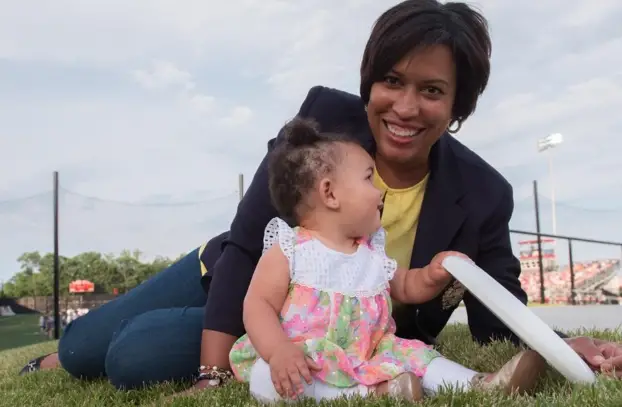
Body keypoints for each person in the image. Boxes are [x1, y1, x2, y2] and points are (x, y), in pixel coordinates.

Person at [19, 0, 622, 390]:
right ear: (369, 82)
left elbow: (498, 313)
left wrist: (565, 346)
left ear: (458, 106)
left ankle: (133, 337)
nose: (405, 107)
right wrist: (213, 367)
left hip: (332, 327)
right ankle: (62, 355)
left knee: (137, 356)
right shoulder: (324, 120)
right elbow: (251, 240)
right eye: (391, 81)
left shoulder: (485, 193)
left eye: (433, 91)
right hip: (238, 272)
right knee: (85, 349)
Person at [229, 117, 547, 403]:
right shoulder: (291, 249)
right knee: (266, 376)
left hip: (370, 350)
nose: (380, 192)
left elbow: (406, 286)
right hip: (305, 356)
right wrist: (279, 350)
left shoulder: (370, 252)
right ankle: (368, 395)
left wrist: (433, 276)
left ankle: (478, 384)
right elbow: (257, 306)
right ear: (330, 194)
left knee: (414, 354)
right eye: (369, 179)